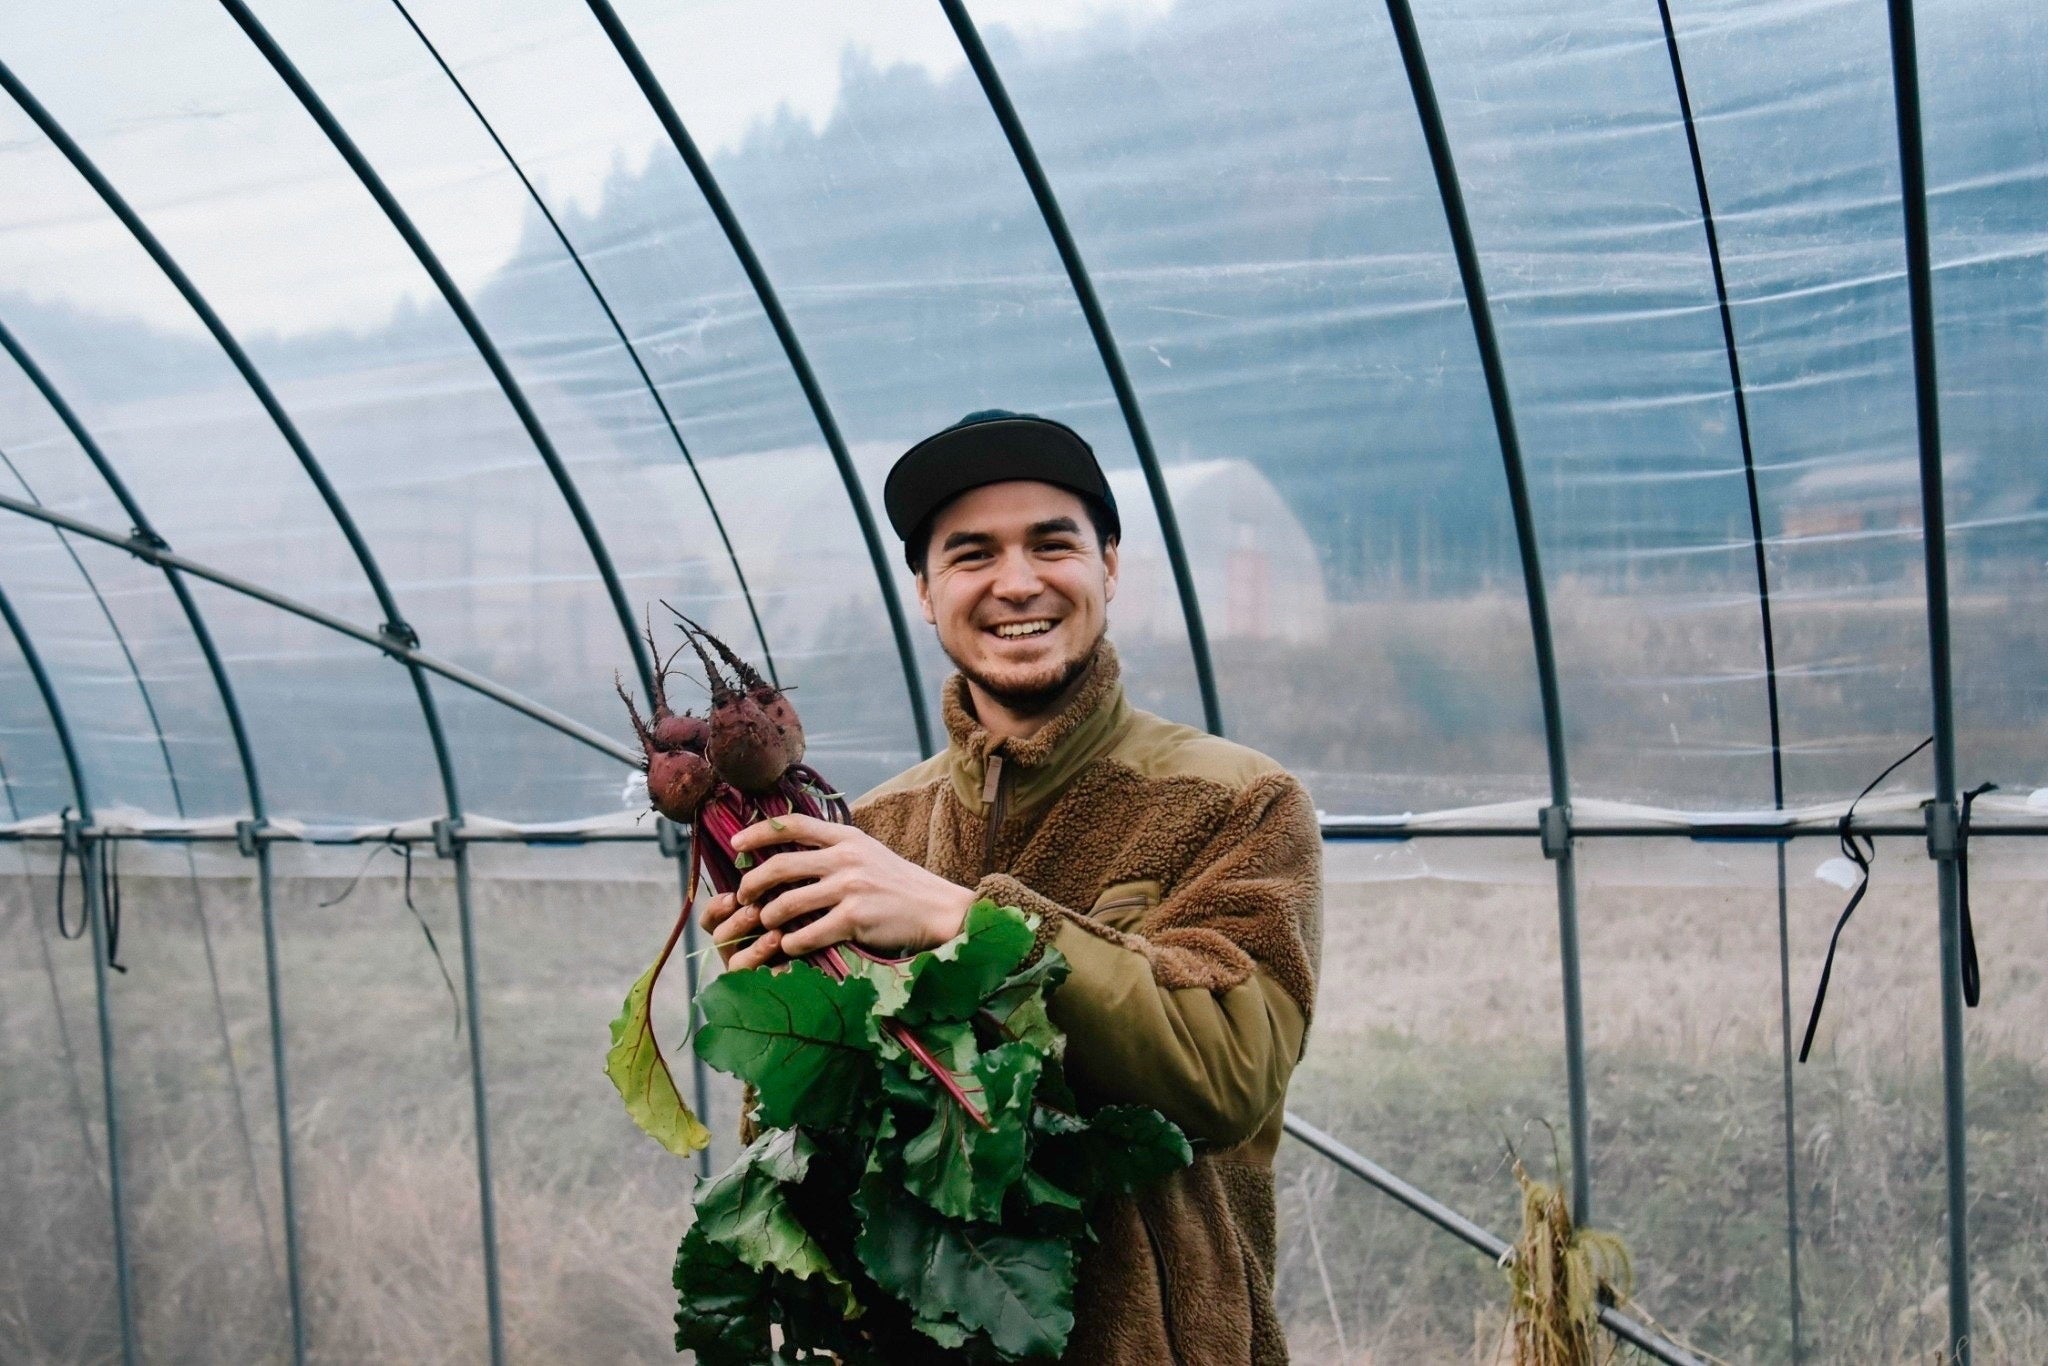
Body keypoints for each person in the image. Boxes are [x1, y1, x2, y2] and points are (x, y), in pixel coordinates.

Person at [700, 410, 1322, 1365]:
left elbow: (1228, 1073)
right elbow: (813, 1144)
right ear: (926, 591)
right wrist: (781, 997)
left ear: (1109, 566)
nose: (1017, 581)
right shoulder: (867, 830)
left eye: (1052, 543)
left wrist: (963, 921)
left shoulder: (1236, 802)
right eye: (972, 554)